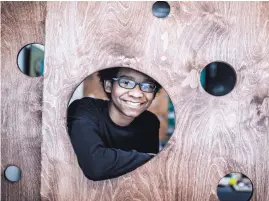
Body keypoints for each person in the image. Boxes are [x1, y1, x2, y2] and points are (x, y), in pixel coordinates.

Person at [67, 67, 161, 181]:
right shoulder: (85, 109)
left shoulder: (150, 122)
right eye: (126, 82)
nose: (137, 94)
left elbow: (148, 174)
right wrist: (157, 159)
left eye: (148, 86)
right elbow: (96, 166)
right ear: (108, 85)